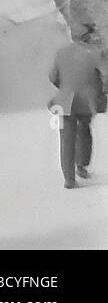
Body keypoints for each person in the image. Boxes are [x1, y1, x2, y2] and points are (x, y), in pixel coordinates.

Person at [48, 22, 104, 188]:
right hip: (87, 100)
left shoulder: (61, 52)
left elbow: (53, 76)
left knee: (66, 139)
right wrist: (99, 91)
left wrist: (65, 87)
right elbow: (105, 75)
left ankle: (69, 178)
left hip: (65, 99)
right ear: (88, 35)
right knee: (84, 131)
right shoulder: (96, 53)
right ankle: (81, 165)